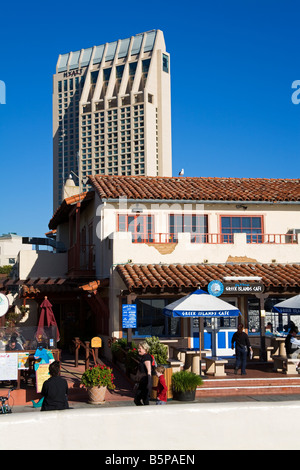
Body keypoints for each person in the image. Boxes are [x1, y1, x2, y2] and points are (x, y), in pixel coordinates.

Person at [133, 341, 152, 406]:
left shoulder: (147, 357)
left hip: (145, 382)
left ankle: (146, 413)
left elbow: (149, 371)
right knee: (138, 399)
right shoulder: (143, 357)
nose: (138, 350)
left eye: (140, 348)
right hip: (141, 382)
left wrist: (149, 383)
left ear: (144, 349)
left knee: (142, 399)